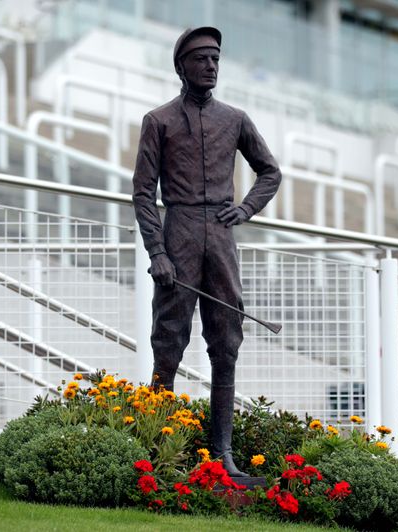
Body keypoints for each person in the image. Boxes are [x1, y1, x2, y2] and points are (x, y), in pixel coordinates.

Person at [132, 26, 281, 477]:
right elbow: (142, 192)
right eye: (202, 59)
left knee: (226, 342)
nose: (211, 66)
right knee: (168, 340)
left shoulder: (234, 119)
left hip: (220, 236)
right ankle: (156, 450)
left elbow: (269, 172)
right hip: (177, 232)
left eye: (216, 58)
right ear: (182, 66)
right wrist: (157, 251)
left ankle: (224, 456)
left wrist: (246, 209)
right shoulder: (158, 121)